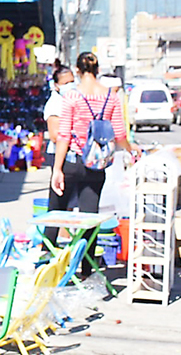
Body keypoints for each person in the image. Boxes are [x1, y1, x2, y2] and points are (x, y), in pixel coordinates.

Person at [51, 52, 139, 276]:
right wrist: (131, 148)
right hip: (97, 164)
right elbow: (119, 134)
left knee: (56, 212)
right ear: (97, 69)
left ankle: (49, 264)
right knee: (90, 218)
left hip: (72, 160)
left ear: (78, 71)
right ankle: (87, 269)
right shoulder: (111, 97)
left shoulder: (72, 96)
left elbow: (64, 135)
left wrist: (57, 169)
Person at [43, 66, 76, 214]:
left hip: (71, 153)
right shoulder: (55, 103)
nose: (70, 86)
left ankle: (67, 233)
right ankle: (63, 234)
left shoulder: (72, 100)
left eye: (72, 81)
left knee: (71, 200)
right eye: (66, 83)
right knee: (62, 198)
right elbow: (55, 135)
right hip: (59, 155)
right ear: (56, 85)